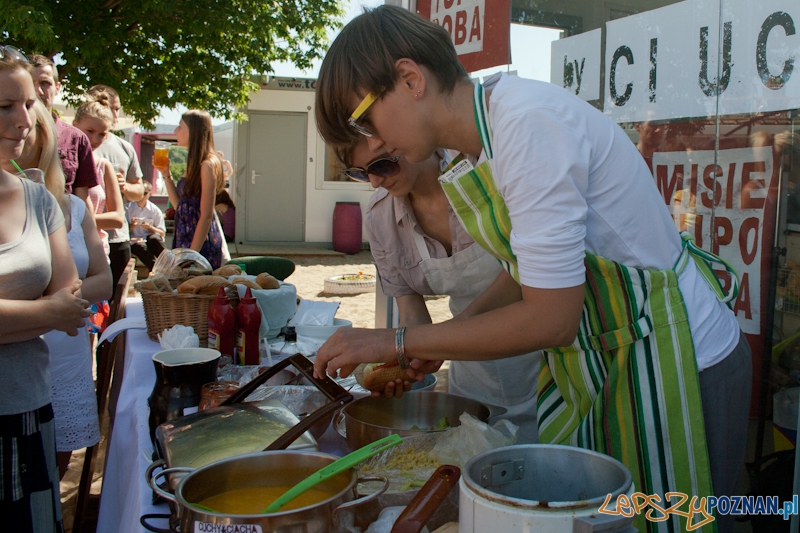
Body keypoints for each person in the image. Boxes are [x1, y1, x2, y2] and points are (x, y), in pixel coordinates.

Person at [312, 7, 750, 532]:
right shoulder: (482, 143)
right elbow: (527, 271)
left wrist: (398, 342)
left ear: (410, 79)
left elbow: (550, 319)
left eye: (365, 122)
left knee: (686, 522)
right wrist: (435, 340)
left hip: (681, 361)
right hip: (616, 361)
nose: (372, 148)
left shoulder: (524, 124)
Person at [347, 139, 541, 442]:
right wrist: (406, 362)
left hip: (546, 362)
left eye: (382, 165)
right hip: (472, 374)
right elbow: (411, 312)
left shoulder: (482, 175)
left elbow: (528, 273)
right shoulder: (379, 217)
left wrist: (436, 340)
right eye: (359, 173)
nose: (374, 182)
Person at [0, 45, 92, 531]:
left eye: (28, 104)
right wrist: (43, 313)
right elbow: (57, 308)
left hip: (28, 405)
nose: (24, 119)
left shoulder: (38, 200)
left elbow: (72, 302)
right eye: (5, 106)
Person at [10, 99, 113, 477]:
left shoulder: (64, 206)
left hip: (62, 353)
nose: (21, 126)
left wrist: (60, 303)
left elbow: (100, 280)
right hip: (24, 361)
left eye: (29, 117)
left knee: (50, 470)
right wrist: (52, 308)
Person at [85, 84, 143, 287]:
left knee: (113, 304)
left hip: (116, 239)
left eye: (118, 109)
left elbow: (140, 191)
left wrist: (124, 187)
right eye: (113, 108)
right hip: (84, 241)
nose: (115, 114)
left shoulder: (124, 147)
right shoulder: (75, 144)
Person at [154, 110, 224, 269]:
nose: (175, 131)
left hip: (199, 244)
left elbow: (206, 215)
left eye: (180, 127)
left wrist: (192, 256)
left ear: (194, 131)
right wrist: (166, 174)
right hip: (185, 238)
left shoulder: (207, 164)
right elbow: (181, 207)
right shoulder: (194, 162)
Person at [28, 54, 101, 202]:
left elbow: (83, 202)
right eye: (30, 83)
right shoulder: (7, 134)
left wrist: (89, 225)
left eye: (44, 83)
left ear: (57, 87)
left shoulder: (76, 139)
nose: (38, 91)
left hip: (63, 222)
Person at [72, 98, 126, 261]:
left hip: (96, 249)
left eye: (102, 134)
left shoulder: (104, 166)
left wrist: (79, 221)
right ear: (74, 125)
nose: (95, 139)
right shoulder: (60, 162)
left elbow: (118, 218)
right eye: (89, 131)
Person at [127, 181, 166, 271]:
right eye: (139, 193)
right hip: (134, 240)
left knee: (155, 239)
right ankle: (156, 269)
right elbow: (123, 232)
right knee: (140, 246)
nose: (141, 196)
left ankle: (168, 263)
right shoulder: (128, 209)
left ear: (149, 193)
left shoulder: (155, 210)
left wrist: (150, 228)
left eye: (144, 193)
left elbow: (162, 233)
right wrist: (132, 225)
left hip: (149, 238)